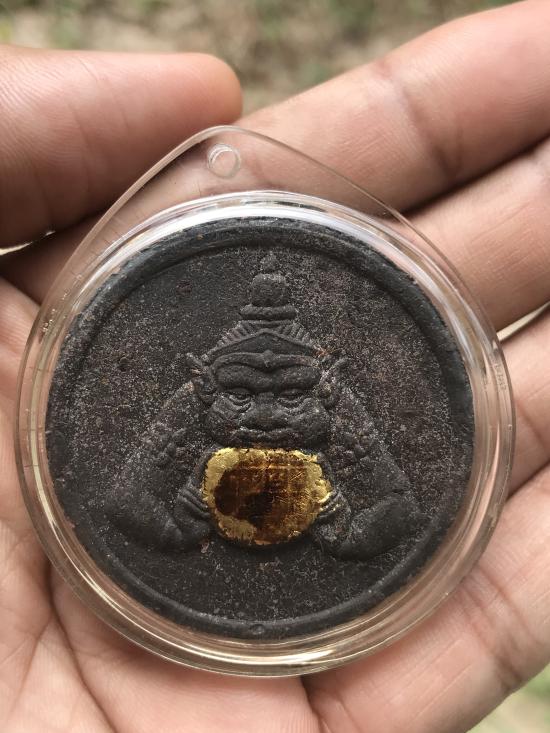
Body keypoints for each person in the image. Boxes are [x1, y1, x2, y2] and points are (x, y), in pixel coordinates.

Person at [0, 0, 549, 730]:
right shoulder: (195, 408)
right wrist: (187, 512)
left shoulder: (333, 407)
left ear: (325, 379)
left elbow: (399, 513)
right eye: (244, 392)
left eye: (287, 393)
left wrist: (335, 517)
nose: (265, 412)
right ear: (204, 381)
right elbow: (124, 506)